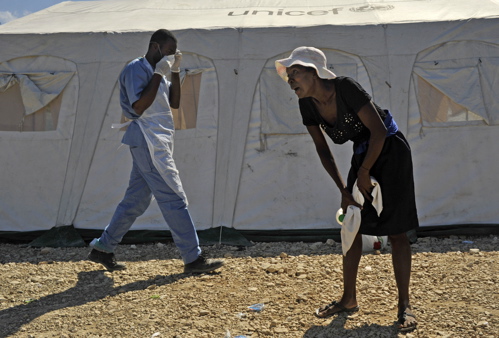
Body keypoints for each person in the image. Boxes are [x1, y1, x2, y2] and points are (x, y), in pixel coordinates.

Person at [275, 47, 418, 332]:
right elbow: (322, 150)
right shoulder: (306, 103)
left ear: (314, 72)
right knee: (352, 223)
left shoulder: (345, 87)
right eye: (288, 76)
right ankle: (349, 298)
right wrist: (343, 188)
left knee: (397, 230)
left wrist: (364, 173)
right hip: (363, 155)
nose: (290, 81)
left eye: (295, 73)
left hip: (389, 150)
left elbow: (378, 131)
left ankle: (405, 305)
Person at [88, 29, 223, 274]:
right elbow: (138, 107)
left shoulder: (158, 73)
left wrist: (174, 70)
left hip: (155, 141)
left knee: (135, 201)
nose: (170, 57)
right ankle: (193, 258)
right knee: (173, 196)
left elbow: (175, 103)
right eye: (168, 52)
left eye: (173, 54)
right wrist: (160, 73)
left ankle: (103, 248)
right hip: (147, 140)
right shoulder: (135, 69)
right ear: (154, 47)